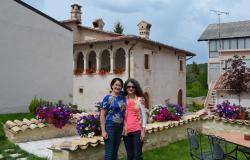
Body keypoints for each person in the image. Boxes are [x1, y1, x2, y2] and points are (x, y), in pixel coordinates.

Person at [100, 78, 126, 160]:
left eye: (120, 85)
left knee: (115, 152)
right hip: (110, 126)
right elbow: (102, 115)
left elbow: (132, 92)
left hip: (120, 126)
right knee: (109, 152)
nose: (118, 87)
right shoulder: (107, 98)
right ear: (112, 86)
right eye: (116, 85)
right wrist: (103, 131)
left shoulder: (122, 96)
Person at [123, 78, 147, 160]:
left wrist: (143, 131)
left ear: (135, 88)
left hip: (137, 131)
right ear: (126, 88)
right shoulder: (123, 100)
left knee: (137, 156)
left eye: (133, 87)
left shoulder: (140, 100)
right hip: (126, 132)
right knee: (130, 156)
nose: (131, 88)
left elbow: (144, 116)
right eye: (128, 86)